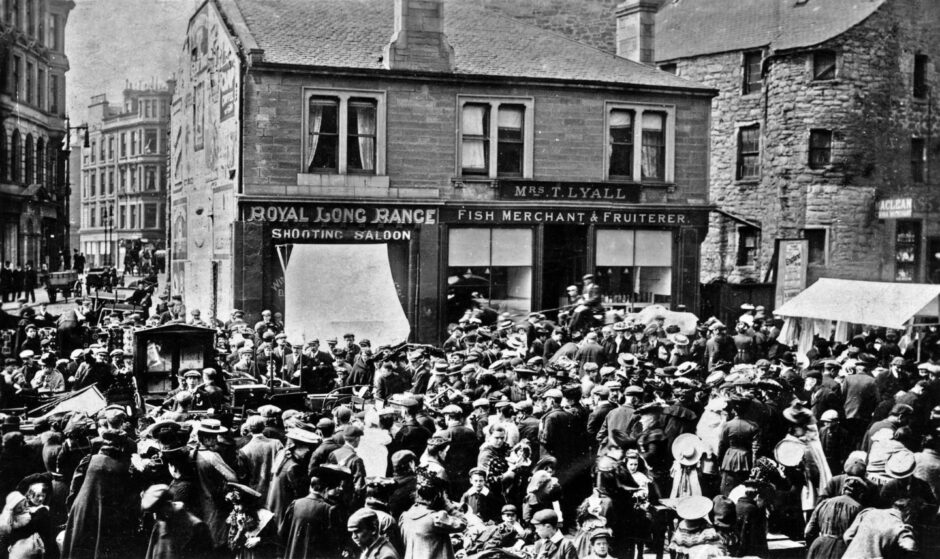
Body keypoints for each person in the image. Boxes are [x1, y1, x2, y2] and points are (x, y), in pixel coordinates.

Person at [61, 429, 139, 559]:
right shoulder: (122, 467)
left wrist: (71, 508)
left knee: (78, 546)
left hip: (82, 509)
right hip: (105, 515)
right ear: (121, 447)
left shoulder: (89, 460)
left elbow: (75, 486)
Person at [279, 467, 345, 559]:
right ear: (326, 489)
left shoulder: (295, 504)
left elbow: (282, 535)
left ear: (311, 486)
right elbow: (333, 545)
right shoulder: (329, 510)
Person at [141, 484, 214, 559]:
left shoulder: (197, 527)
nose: (156, 516)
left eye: (158, 512)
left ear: (168, 504)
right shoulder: (160, 524)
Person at [805, 476, 865, 559]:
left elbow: (808, 531)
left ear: (843, 489)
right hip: (843, 549)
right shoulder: (859, 509)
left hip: (819, 546)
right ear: (860, 493)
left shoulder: (824, 503)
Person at [842, 498, 918, 558]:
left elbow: (847, 536)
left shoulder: (868, 512)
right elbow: (910, 547)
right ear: (908, 514)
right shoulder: (900, 527)